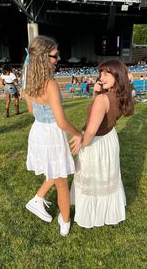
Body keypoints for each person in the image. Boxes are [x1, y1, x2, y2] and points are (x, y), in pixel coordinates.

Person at [24, 35, 82, 236]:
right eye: (54, 55)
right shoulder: (50, 84)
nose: (58, 59)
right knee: (62, 181)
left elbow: (32, 111)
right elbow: (61, 122)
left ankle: (38, 198)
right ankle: (65, 221)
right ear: (42, 57)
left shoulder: (29, 81)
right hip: (51, 134)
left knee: (55, 171)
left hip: (38, 130)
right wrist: (79, 134)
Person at [70, 59, 134, 228]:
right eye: (101, 73)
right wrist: (97, 93)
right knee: (106, 176)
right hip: (109, 139)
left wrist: (81, 142)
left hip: (96, 142)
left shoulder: (103, 99)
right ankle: (109, 213)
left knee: (93, 177)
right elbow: (99, 113)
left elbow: (91, 128)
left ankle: (91, 216)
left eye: (106, 74)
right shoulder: (120, 95)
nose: (101, 77)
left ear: (117, 76)